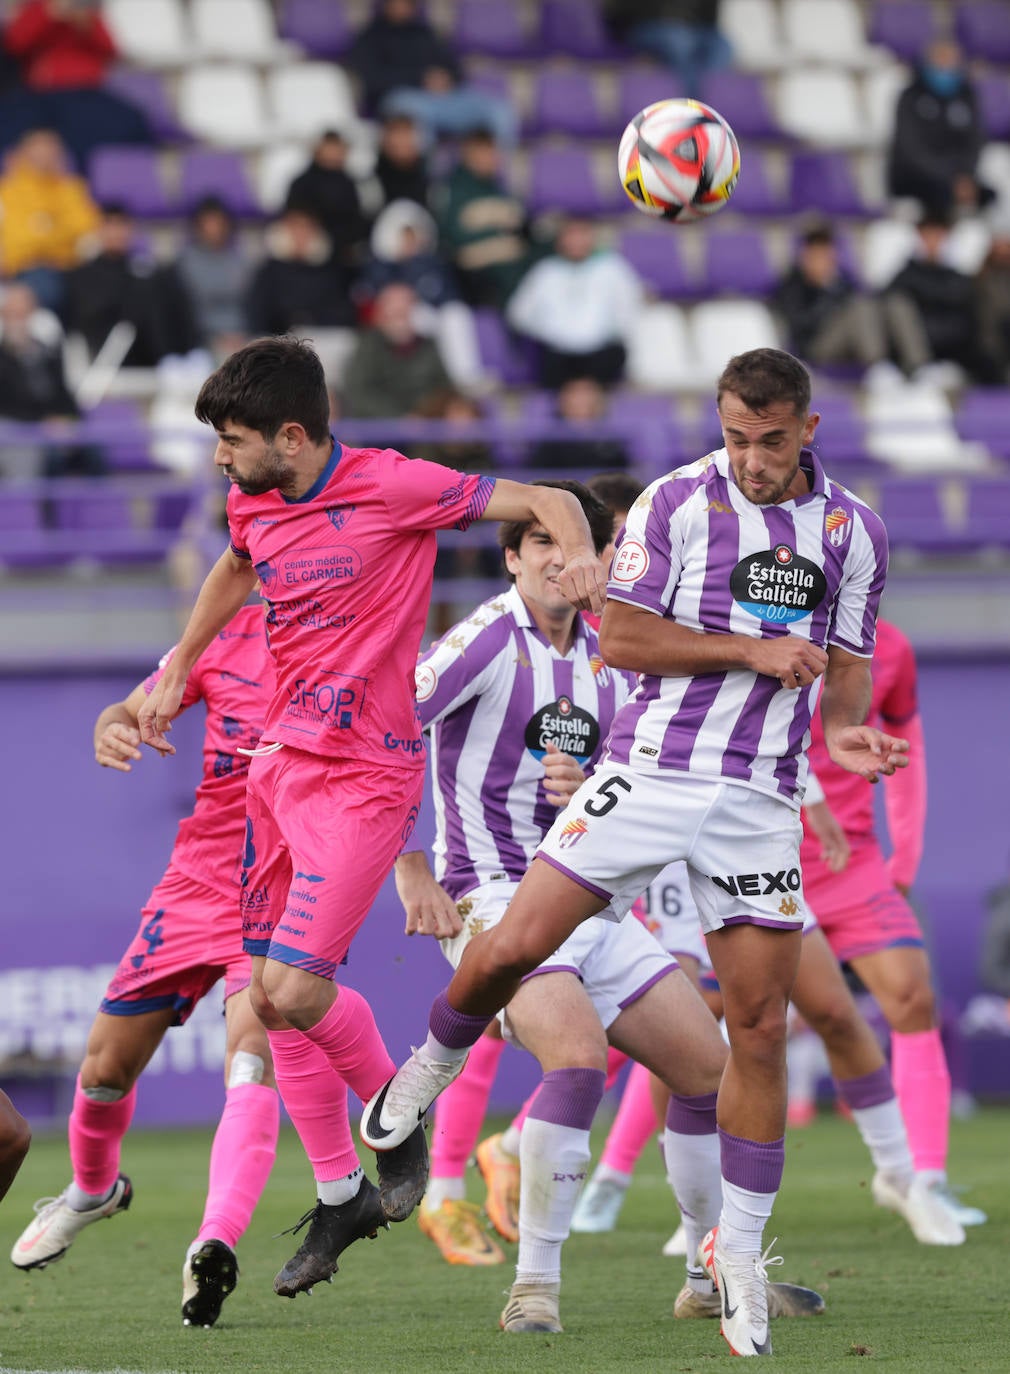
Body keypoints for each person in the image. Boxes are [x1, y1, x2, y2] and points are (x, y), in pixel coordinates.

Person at [363, 346, 909, 1359]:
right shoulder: (669, 505)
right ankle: (431, 1063)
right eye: (735, 437)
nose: (750, 460)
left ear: (807, 432)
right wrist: (749, 651)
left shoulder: (850, 532)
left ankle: (731, 1261)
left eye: (770, 441)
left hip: (758, 801)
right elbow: (620, 640)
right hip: (651, 778)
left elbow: (845, 662)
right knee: (512, 944)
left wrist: (840, 733)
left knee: (750, 1029)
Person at [135, 335, 607, 1302]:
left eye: (232, 439)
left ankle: (400, 1114)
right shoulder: (253, 499)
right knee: (262, 1002)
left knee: (298, 994)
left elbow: (550, 503)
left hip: (364, 777)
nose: (221, 457)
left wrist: (585, 561)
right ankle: (347, 1189)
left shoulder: (396, 486)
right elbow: (235, 566)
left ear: (294, 435)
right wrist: (180, 663)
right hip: (279, 769)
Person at [396, 479, 821, 1331]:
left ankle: (710, 1280)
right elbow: (388, 731)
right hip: (492, 893)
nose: (560, 559)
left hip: (591, 897)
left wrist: (589, 784)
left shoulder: (609, 645)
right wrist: (412, 866)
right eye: (540, 544)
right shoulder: (484, 640)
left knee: (709, 1075)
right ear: (512, 557)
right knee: (578, 1059)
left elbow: (642, 765)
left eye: (574, 545)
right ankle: (536, 1289)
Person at [11, 605, 281, 1329]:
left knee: (250, 1062)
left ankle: (214, 1240)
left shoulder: (348, 636)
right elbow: (129, 707)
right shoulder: (221, 637)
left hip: (284, 886)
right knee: (102, 1074)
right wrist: (114, 726)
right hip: (194, 884)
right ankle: (92, 1190)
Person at [800, 619, 987, 1230]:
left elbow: (910, 745)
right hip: (759, 851)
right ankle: (637, 1184)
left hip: (852, 862)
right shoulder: (758, 622)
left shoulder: (895, 647)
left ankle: (923, 1177)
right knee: (711, 1011)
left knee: (913, 995)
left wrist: (902, 857)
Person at [347, 0, 516, 150]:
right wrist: (419, 79)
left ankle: (496, 176)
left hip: (443, 98)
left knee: (499, 110)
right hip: (403, 99)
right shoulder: (371, 37)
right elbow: (372, 80)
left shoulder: (425, 33)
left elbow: (455, 67)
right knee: (412, 115)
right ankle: (426, 180)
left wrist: (446, 79)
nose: (401, 6)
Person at [770, 224, 928, 380]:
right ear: (806, 256)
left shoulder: (842, 281)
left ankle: (917, 366)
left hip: (850, 340)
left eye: (826, 253)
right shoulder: (792, 286)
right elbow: (801, 325)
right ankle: (876, 367)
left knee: (895, 302)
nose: (823, 259)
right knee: (860, 307)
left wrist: (831, 287)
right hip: (816, 345)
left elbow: (864, 300)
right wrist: (825, 292)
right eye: (817, 254)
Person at [505, 216, 644, 391]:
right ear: (560, 240)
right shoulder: (546, 271)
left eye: (582, 235)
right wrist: (549, 333)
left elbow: (630, 308)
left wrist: (611, 334)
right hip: (556, 354)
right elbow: (519, 313)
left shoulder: (612, 267)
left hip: (602, 353)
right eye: (571, 235)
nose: (576, 242)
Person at [63, 202, 194, 367]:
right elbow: (88, 316)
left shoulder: (144, 270)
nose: (117, 233)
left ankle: (183, 357)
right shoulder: (83, 274)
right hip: (108, 352)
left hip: (147, 351)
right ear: (100, 230)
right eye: (111, 225)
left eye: (122, 226)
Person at [883, 212, 1000, 386]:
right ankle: (918, 368)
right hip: (918, 349)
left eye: (938, 235)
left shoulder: (958, 277)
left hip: (957, 350)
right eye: (927, 235)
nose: (933, 241)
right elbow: (886, 301)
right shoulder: (906, 275)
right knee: (897, 304)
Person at [887, 38, 994, 215]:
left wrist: (964, 175)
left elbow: (975, 141)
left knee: (989, 195)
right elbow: (910, 148)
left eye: (950, 61)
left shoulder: (967, 97)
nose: (946, 68)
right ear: (928, 62)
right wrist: (949, 178)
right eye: (940, 61)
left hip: (959, 177)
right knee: (941, 195)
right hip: (915, 176)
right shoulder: (910, 97)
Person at [436, 129, 536, 310]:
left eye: (494, 151)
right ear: (469, 153)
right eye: (486, 151)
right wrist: (500, 238)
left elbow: (523, 229)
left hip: (514, 273)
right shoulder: (453, 189)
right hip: (476, 280)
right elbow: (454, 237)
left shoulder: (499, 188)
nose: (494, 157)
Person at [0, 127, 98, 310]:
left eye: (51, 154)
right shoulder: (6, 192)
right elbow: (17, 242)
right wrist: (55, 237)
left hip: (71, 267)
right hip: (23, 273)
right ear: (22, 155)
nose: (45, 161)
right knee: (44, 283)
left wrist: (45, 237)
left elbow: (86, 230)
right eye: (38, 155)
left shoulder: (72, 189)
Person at [341, 281, 454, 420]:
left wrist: (424, 414)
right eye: (395, 313)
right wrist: (400, 418)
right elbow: (358, 392)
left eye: (405, 312)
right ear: (381, 315)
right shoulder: (367, 345)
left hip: (427, 426)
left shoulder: (429, 345)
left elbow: (444, 388)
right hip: (382, 429)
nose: (400, 321)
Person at [174, 196, 253, 359]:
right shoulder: (185, 263)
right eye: (208, 222)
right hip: (202, 341)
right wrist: (214, 337)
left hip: (242, 337)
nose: (214, 228)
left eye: (218, 222)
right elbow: (187, 311)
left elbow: (251, 306)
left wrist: (242, 335)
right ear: (198, 226)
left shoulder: (241, 261)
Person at [603, 1, 732, 98]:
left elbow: (709, 18)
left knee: (723, 46)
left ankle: (706, 99)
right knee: (679, 42)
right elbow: (616, 12)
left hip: (691, 29)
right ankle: (688, 101)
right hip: (644, 26)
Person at [284, 130, 369, 270]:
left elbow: (358, 218)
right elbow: (295, 219)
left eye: (337, 147)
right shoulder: (302, 184)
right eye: (330, 147)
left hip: (344, 257)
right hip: (310, 255)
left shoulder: (353, 183)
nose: (334, 152)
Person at [528, 378, 632, 471]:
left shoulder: (612, 441)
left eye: (588, 392)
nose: (583, 399)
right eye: (576, 394)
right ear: (563, 401)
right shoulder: (549, 442)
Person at [371, 113, 430, 213]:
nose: (401, 140)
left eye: (406, 133)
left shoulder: (431, 185)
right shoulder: (370, 185)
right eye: (396, 133)